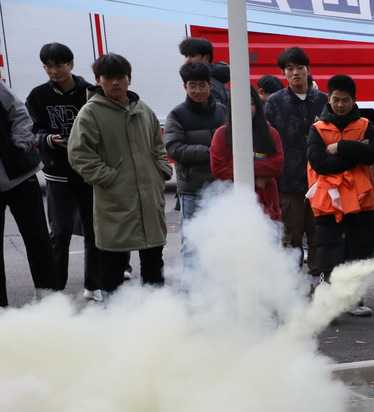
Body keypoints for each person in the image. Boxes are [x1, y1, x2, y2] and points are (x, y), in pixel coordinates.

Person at [67, 53, 172, 294]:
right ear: (98, 80)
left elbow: (159, 144)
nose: (115, 83)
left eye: (120, 77)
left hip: (149, 197)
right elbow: (79, 154)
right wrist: (109, 178)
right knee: (112, 261)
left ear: (129, 79)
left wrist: (161, 169)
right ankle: (113, 317)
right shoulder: (90, 113)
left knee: (153, 259)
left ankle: (159, 315)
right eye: (108, 78)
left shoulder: (143, 109)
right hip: (115, 198)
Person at [25, 41, 100, 299]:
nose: (54, 71)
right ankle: (55, 289)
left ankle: (93, 285)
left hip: (89, 172)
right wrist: (49, 139)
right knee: (60, 232)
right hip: (57, 173)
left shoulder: (91, 92)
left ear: (71, 64)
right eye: (48, 66)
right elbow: (31, 131)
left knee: (94, 230)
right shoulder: (37, 96)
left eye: (59, 65)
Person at [306, 74, 374, 316]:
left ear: (354, 100)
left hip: (361, 200)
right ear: (328, 99)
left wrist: (341, 147)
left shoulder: (366, 124)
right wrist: (356, 151)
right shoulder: (317, 129)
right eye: (336, 99)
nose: (340, 105)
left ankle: (353, 299)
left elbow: (373, 153)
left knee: (360, 249)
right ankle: (330, 299)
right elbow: (319, 163)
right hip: (329, 201)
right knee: (330, 250)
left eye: (345, 100)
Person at [263, 46, 328, 286]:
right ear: (283, 73)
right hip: (287, 184)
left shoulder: (323, 101)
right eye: (289, 69)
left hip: (321, 183)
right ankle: (290, 289)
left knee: (319, 236)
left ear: (308, 69)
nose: (295, 72)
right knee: (289, 239)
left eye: (300, 67)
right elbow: (266, 141)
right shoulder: (274, 103)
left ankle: (318, 286)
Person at [0, 78, 55, 310]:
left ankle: (49, 299)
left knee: (38, 239)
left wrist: (20, 144)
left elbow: (20, 112)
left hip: (19, 174)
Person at [164, 61, 227, 245]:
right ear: (185, 86)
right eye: (192, 86)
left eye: (202, 85)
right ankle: (191, 275)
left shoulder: (223, 112)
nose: (197, 90)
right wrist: (212, 152)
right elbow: (174, 148)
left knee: (222, 240)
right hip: (192, 189)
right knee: (193, 244)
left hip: (222, 187)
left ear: (210, 85)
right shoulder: (177, 115)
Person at [210, 87, 283, 222]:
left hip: (267, 208)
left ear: (257, 105)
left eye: (250, 103)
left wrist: (235, 165)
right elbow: (219, 169)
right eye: (240, 103)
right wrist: (256, 179)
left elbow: (276, 165)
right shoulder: (221, 134)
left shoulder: (271, 133)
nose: (245, 108)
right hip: (232, 207)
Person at [178, 36, 229, 107]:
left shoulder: (207, 84)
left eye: (192, 56)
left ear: (206, 58)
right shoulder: (218, 78)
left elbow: (213, 114)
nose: (187, 60)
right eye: (186, 56)